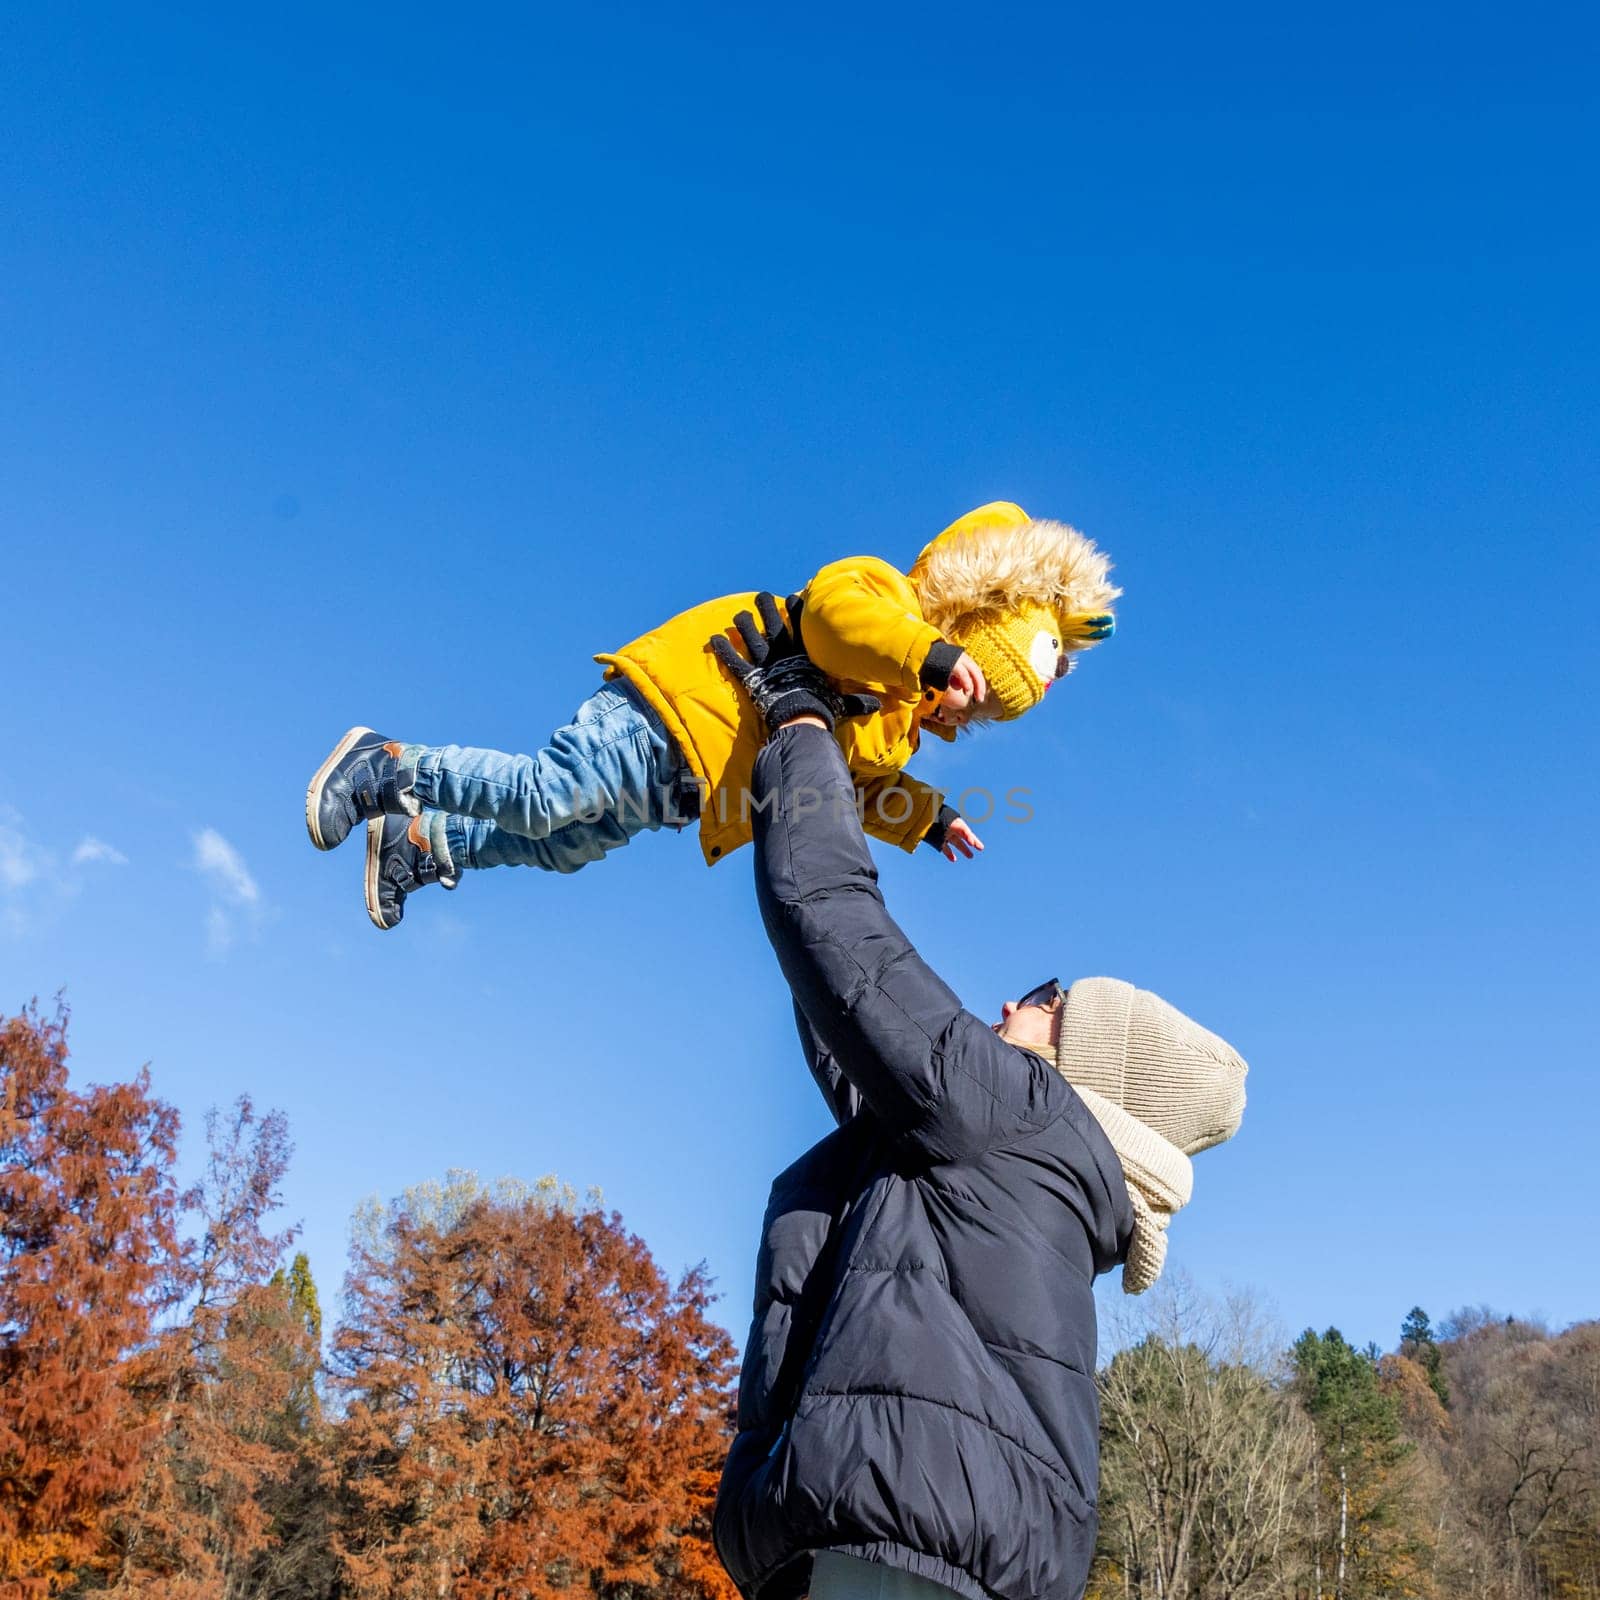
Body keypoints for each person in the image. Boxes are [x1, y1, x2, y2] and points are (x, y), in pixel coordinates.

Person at [710, 598, 1246, 1600]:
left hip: (895, 1566)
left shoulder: (1019, 1117)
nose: (1013, 999)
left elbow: (835, 923)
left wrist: (798, 719)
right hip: (924, 1560)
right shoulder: (1024, 1171)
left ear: (1085, 1065)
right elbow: (843, 1012)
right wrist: (830, 787)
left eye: (1046, 999)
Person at [302, 501, 1117, 928]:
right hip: (668, 712)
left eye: (965, 699)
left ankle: (425, 842)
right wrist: (927, 657)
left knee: (563, 846)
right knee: (547, 795)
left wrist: (927, 819)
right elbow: (836, 620)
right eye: (966, 672)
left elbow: (855, 788)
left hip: (688, 787)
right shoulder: (884, 600)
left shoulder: (896, 725)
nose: (951, 697)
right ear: (966, 622)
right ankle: (386, 765)